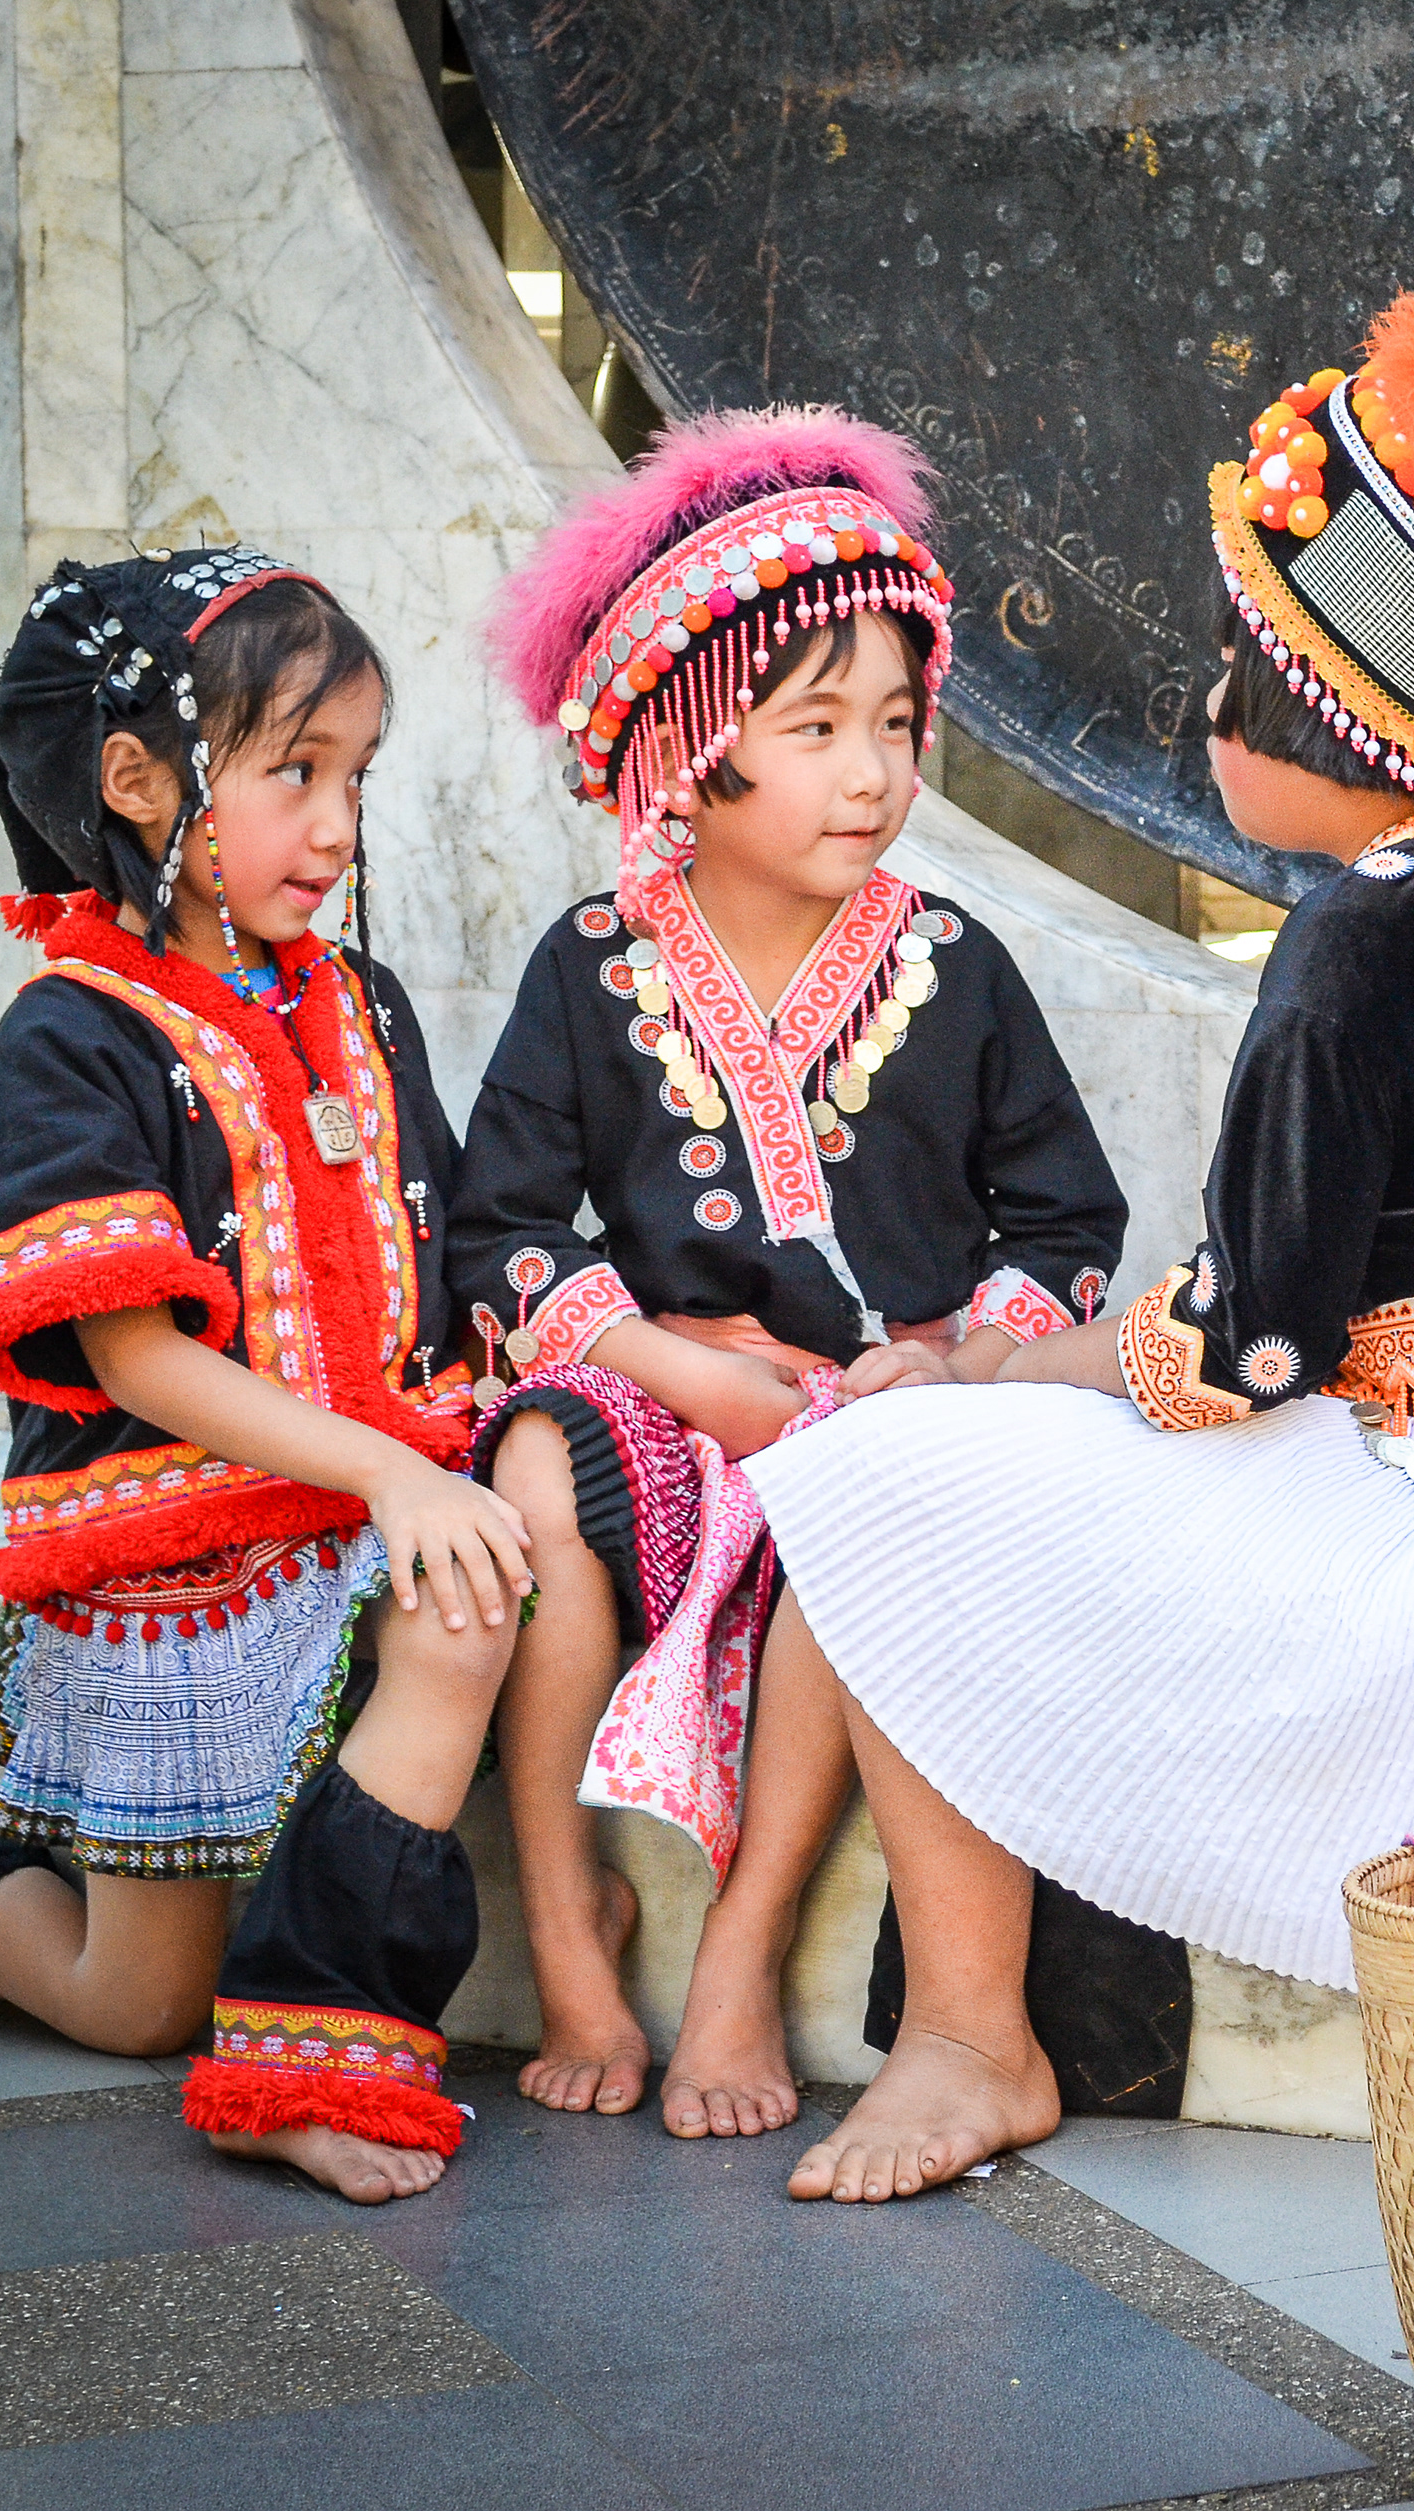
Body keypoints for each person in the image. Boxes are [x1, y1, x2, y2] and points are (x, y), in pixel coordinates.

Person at [743, 284, 1414, 2199]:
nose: (1205, 709)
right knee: (930, 1449)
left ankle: (968, 2038)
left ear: (1323, 702)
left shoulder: (1370, 922)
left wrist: (986, 1363)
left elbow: (1256, 1345)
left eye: (1233, 660)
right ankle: (978, 2029)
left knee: (879, 1472)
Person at [0, 553, 521, 2204]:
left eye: (356, 779)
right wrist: (390, 1473)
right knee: (130, 2002)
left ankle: (313, 2042)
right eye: (294, 773)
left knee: (468, 1614)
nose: (336, 827)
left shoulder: (363, 1007)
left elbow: (442, 1265)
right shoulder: (70, 1038)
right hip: (181, 1551)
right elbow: (134, 1356)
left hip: (369, 1496)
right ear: (140, 778)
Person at [458, 410, 1127, 2136]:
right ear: (683, 747)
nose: (872, 775)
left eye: (896, 727)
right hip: (666, 1400)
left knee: (865, 1485)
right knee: (533, 1463)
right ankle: (568, 1919)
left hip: (865, 1410)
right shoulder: (593, 966)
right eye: (814, 727)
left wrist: (957, 1360)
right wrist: (679, 1375)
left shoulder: (955, 969)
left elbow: (1064, 1222)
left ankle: (741, 1952)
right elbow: (505, 1233)